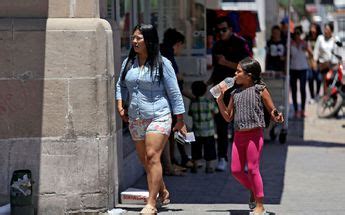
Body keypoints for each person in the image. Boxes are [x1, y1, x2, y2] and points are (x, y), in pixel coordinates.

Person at [115, 24, 187, 214]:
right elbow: (120, 85)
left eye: (139, 38)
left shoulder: (163, 63)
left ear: (149, 40)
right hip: (136, 117)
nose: (134, 41)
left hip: (159, 115)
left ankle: (151, 203)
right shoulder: (128, 63)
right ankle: (162, 189)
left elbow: (174, 92)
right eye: (133, 38)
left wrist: (180, 120)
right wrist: (120, 105)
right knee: (145, 160)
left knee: (153, 156)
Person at [216, 57, 284, 215]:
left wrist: (277, 116)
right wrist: (220, 100)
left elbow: (271, 109)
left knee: (253, 169)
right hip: (238, 136)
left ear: (249, 75)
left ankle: (259, 205)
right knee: (236, 170)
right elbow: (228, 117)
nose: (235, 73)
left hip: (254, 135)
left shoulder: (260, 89)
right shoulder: (234, 93)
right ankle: (254, 190)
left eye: (238, 71)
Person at [209, 16, 251, 171]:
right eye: (218, 30)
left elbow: (248, 67)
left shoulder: (240, 43)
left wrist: (227, 63)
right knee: (220, 126)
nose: (221, 33)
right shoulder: (217, 45)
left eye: (224, 29)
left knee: (240, 126)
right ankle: (222, 158)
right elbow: (216, 69)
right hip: (221, 90)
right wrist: (209, 84)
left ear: (231, 29)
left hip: (239, 89)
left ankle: (244, 159)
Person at [160, 28, 193, 172]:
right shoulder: (168, 55)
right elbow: (174, 79)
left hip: (167, 99)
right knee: (178, 131)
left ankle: (182, 158)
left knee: (179, 131)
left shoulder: (162, 51)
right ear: (178, 44)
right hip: (170, 101)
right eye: (182, 46)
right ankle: (177, 160)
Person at [188, 81, 218, 173]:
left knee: (196, 149)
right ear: (205, 91)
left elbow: (190, 113)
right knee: (209, 150)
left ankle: (195, 165)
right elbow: (216, 111)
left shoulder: (193, 103)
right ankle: (209, 167)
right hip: (209, 132)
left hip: (196, 132)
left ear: (193, 92)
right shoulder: (209, 102)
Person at [290, 26, 313, 118]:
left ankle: (303, 110)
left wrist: (307, 47)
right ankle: (296, 110)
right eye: (296, 33)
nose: (297, 35)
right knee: (294, 90)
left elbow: (311, 54)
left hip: (303, 68)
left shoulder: (304, 43)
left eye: (299, 33)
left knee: (303, 89)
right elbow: (288, 56)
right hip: (293, 69)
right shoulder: (290, 44)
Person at [313, 22, 338, 95]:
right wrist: (315, 61)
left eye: (327, 29)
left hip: (333, 65)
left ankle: (333, 99)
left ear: (331, 30)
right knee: (325, 83)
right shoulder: (320, 38)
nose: (325, 31)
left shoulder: (335, 39)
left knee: (334, 84)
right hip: (324, 65)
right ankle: (326, 98)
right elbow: (316, 50)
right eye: (325, 29)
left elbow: (340, 50)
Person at [305, 22, 322, 102]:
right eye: (311, 28)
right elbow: (306, 48)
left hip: (318, 62)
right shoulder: (308, 38)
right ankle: (312, 97)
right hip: (309, 62)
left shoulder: (320, 38)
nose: (312, 30)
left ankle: (317, 94)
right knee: (310, 78)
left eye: (314, 28)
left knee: (319, 79)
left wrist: (314, 54)